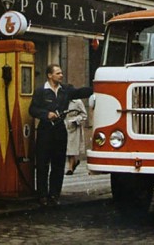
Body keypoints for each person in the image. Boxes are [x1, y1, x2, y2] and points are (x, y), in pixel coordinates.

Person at [29, 64, 93, 207]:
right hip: (45, 131)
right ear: (49, 75)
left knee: (58, 166)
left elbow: (80, 92)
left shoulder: (65, 90)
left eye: (61, 73)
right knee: (42, 165)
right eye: (58, 73)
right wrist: (46, 115)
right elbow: (32, 109)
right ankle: (42, 196)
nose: (61, 75)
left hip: (60, 131)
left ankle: (54, 195)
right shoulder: (41, 91)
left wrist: (97, 86)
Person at [65, 98, 87, 175]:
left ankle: (70, 167)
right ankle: (74, 162)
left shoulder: (78, 102)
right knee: (66, 147)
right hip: (63, 125)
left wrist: (76, 119)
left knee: (71, 147)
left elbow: (84, 114)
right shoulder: (61, 99)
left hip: (73, 126)